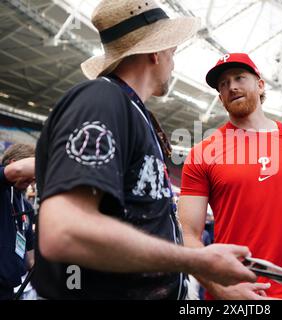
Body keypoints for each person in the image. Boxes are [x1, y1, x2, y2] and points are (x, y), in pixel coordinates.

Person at [31, 0, 256, 300]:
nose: (173, 63)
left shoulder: (133, 112)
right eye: (172, 52)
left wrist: (214, 280)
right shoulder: (101, 99)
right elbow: (64, 233)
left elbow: (147, 223)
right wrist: (198, 260)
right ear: (155, 51)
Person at [179, 53, 282, 299]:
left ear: (260, 84)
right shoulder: (203, 153)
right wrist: (220, 287)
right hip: (238, 291)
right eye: (223, 84)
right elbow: (187, 234)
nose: (232, 86)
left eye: (239, 78)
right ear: (220, 96)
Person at [0, 144, 35, 300]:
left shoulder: (25, 206)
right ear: (13, 163)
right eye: (33, 173)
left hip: (8, 290)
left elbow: (30, 258)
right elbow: (16, 170)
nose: (34, 179)